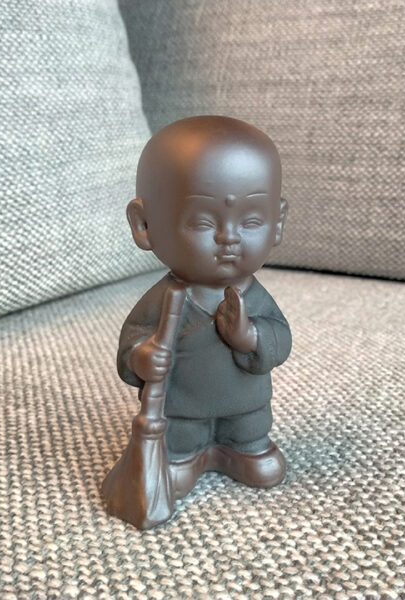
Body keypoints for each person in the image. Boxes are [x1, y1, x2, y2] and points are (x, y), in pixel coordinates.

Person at [117, 115, 292, 498]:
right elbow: (133, 341)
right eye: (201, 223)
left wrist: (250, 337)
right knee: (180, 435)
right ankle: (182, 456)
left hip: (244, 404)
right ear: (144, 225)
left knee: (250, 429)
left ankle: (247, 448)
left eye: (251, 221)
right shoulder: (165, 298)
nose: (229, 238)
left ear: (277, 223)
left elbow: (281, 338)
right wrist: (142, 357)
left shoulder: (254, 296)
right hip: (183, 407)